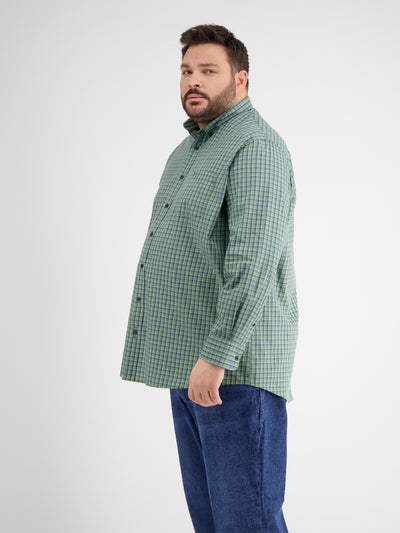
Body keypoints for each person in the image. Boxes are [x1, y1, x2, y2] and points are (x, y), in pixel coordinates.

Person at [120, 23, 298, 533]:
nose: (192, 81)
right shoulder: (189, 152)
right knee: (213, 524)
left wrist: (217, 356)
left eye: (208, 71)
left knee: (247, 523)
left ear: (241, 80)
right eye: (186, 71)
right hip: (191, 366)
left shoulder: (255, 146)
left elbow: (253, 260)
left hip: (231, 372)